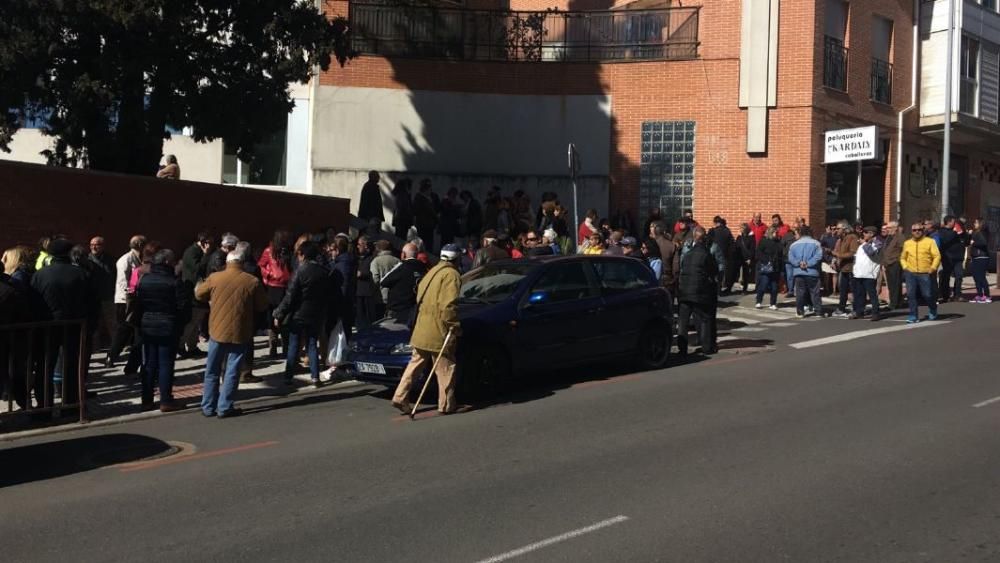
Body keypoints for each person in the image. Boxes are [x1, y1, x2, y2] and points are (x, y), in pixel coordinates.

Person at [195, 245, 269, 418]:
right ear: (242, 262)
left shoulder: (215, 277)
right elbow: (262, 305)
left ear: (227, 262)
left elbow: (199, 294)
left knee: (212, 370)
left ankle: (207, 406)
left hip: (217, 331)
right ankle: (225, 406)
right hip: (240, 331)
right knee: (232, 370)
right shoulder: (251, 281)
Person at [392, 244, 464, 415]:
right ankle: (446, 404)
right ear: (457, 258)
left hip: (422, 326)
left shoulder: (432, 271)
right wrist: (454, 326)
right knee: (445, 366)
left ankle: (400, 396)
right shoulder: (451, 274)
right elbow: (448, 305)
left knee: (415, 363)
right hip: (439, 327)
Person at [30, 239, 97, 405]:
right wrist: (91, 326)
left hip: (46, 325)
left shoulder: (40, 274)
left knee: (45, 366)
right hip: (74, 325)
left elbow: (32, 301)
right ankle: (71, 405)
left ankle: (44, 407)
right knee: (71, 366)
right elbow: (92, 302)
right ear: (69, 253)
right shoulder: (80, 273)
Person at [134, 249, 188, 412]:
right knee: (165, 364)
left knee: (149, 364)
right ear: (166, 263)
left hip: (148, 324)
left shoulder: (144, 280)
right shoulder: (173, 281)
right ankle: (166, 400)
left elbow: (138, 304)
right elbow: (183, 307)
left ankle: (147, 399)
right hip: (168, 325)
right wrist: (180, 324)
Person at [274, 241, 332, 387]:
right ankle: (315, 376)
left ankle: (288, 376)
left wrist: (278, 313)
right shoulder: (323, 271)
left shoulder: (300, 271)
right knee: (312, 344)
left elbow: (290, 296)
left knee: (294, 344)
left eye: (299, 254)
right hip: (316, 313)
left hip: (299, 314)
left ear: (303, 254)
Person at [676, 227, 718, 357]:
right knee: (705, 318)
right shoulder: (706, 254)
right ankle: (706, 347)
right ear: (704, 238)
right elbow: (713, 271)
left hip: (684, 291)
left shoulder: (687, 254)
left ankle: (682, 348)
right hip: (699, 291)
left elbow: (682, 269)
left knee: (683, 321)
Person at [109, 235, 146, 371]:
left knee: (130, 330)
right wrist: (131, 295)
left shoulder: (138, 258)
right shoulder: (125, 260)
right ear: (140, 245)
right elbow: (124, 282)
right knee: (123, 329)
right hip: (124, 300)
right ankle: (111, 355)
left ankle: (120, 356)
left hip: (133, 299)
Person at [258, 230, 293, 358]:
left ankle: (285, 348)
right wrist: (269, 275)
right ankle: (273, 347)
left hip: (285, 287)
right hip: (273, 288)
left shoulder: (288, 251)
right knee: (272, 319)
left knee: (285, 319)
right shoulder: (269, 251)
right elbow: (261, 265)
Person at [901, 222, 941, 323]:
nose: (917, 232)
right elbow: (902, 258)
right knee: (910, 294)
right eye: (914, 230)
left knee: (927, 294)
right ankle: (913, 315)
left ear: (923, 231)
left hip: (925, 272)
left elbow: (937, 256)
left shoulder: (930, 242)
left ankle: (933, 308)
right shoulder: (907, 243)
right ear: (911, 232)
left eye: (919, 230)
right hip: (911, 273)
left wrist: (933, 267)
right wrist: (905, 267)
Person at [380, 243, 428, 323]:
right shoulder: (423, 268)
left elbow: (384, 281)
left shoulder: (402, 266)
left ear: (403, 254)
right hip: (415, 310)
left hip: (398, 309)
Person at [87, 236, 116, 351]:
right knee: (95, 324)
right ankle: (94, 347)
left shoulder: (110, 260)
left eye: (97, 244)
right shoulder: (87, 259)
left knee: (112, 323)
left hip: (107, 296)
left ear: (102, 246)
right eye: (91, 244)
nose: (94, 247)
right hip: (93, 297)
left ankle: (115, 346)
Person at [788, 225, 824, 318]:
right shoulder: (816, 243)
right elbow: (818, 256)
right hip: (812, 272)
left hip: (798, 271)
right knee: (815, 292)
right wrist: (808, 263)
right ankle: (818, 311)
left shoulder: (793, 245)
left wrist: (799, 263)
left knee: (800, 293)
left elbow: (791, 258)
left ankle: (800, 312)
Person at [851, 226, 882, 320]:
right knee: (859, 294)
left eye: (865, 232)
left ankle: (875, 313)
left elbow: (871, 252)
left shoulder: (877, 243)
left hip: (870, 274)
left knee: (872, 294)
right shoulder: (861, 245)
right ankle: (859, 311)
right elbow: (857, 258)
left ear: (871, 233)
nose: (863, 234)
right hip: (859, 273)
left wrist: (864, 243)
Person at [938, 216, 970, 302]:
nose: (955, 223)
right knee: (946, 276)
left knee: (959, 276)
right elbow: (946, 239)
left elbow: (966, 241)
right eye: (953, 222)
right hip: (947, 257)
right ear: (949, 222)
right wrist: (955, 232)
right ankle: (945, 295)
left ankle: (957, 294)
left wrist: (965, 234)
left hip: (958, 257)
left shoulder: (958, 231)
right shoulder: (942, 231)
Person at [832, 221, 860, 318]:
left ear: (844, 229)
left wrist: (838, 255)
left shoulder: (852, 237)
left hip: (851, 268)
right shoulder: (841, 239)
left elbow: (853, 253)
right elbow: (839, 252)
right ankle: (841, 308)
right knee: (842, 290)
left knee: (854, 290)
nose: (836, 230)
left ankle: (857, 309)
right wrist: (835, 258)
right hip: (843, 268)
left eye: (838, 229)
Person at [370, 239, 400, 317]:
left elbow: (375, 279)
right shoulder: (397, 261)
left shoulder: (376, 261)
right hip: (394, 297)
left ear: (379, 249)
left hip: (380, 297)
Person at [354, 237, 379, 331]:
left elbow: (374, 273)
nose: (357, 247)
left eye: (360, 244)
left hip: (368, 292)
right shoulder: (358, 258)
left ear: (366, 246)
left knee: (369, 317)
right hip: (359, 291)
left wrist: (362, 274)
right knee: (360, 317)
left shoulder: (372, 258)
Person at [754, 227, 782, 309]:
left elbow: (780, 253)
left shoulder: (778, 242)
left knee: (774, 287)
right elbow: (758, 253)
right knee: (763, 284)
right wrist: (766, 261)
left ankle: (773, 303)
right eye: (775, 233)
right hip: (766, 266)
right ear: (770, 233)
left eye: (776, 233)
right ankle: (758, 301)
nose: (776, 234)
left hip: (775, 267)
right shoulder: (764, 241)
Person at [880, 221, 905, 310]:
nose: (888, 230)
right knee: (891, 284)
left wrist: (898, 260)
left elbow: (903, 249)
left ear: (895, 228)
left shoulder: (900, 237)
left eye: (890, 228)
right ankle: (896, 301)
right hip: (888, 263)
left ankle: (894, 303)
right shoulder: (889, 237)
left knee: (895, 284)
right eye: (887, 228)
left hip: (895, 263)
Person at [969, 218, 992, 303]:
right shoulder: (976, 232)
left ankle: (987, 296)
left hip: (982, 257)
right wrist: (970, 235)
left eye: (976, 223)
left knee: (981, 277)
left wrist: (973, 242)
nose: (974, 224)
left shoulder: (982, 232)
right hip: (975, 257)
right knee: (976, 277)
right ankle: (979, 295)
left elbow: (983, 243)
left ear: (980, 224)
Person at [414, 179, 438, 253]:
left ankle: (428, 256)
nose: (430, 191)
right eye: (429, 189)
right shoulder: (419, 197)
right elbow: (417, 210)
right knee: (423, 242)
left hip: (429, 224)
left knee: (429, 242)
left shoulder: (431, 197)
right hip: (422, 223)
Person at [780, 218, 800, 297]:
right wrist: (785, 253)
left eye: (796, 228)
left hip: (798, 259)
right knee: (789, 276)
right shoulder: (787, 235)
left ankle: (796, 291)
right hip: (788, 259)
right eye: (794, 227)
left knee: (797, 276)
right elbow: (782, 245)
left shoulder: (800, 236)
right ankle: (790, 291)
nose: (795, 229)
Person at [734, 223, 756, 293]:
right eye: (740, 228)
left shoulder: (751, 237)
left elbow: (752, 248)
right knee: (735, 272)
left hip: (746, 258)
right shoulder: (739, 237)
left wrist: (750, 258)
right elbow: (736, 246)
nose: (741, 230)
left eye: (742, 228)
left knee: (745, 274)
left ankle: (744, 289)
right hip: (739, 257)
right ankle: (730, 286)